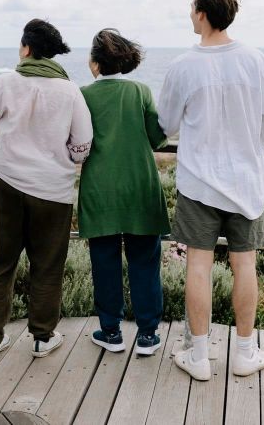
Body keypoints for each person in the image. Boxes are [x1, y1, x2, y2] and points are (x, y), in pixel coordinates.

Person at [158, 0, 264, 381]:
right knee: (245, 265)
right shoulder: (255, 60)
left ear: (202, 13)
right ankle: (245, 352)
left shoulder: (183, 66)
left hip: (198, 183)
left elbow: (165, 124)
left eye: (191, 6)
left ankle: (198, 356)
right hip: (247, 183)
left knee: (198, 266)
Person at [0, 18, 93, 359]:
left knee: (0, 260)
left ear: (26, 48)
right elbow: (83, 144)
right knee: (48, 264)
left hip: (8, 184)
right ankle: (42, 337)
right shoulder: (70, 90)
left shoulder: (5, 83)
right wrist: (61, 158)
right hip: (53, 191)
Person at [78, 29, 170, 356]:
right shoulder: (140, 91)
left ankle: (111, 331)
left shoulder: (83, 95)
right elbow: (158, 137)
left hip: (100, 190)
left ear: (95, 64)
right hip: (140, 188)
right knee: (144, 260)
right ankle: (147, 334)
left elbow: (77, 141)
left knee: (104, 261)